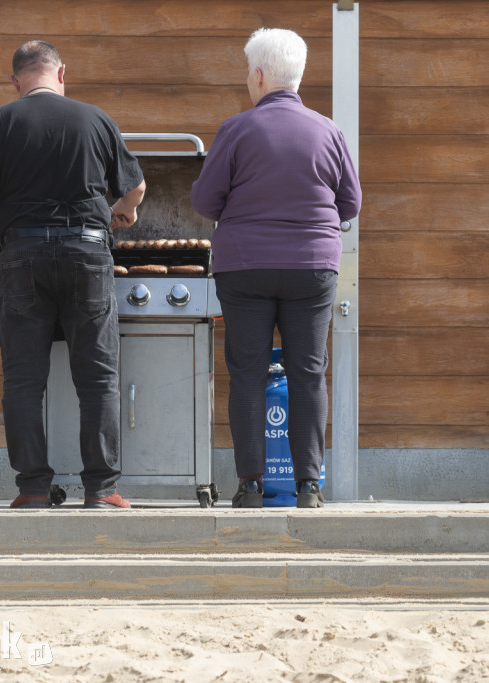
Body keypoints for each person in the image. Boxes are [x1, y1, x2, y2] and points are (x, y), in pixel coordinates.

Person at [0, 40, 146, 510]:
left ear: (16, 82)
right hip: (88, 254)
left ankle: (33, 488)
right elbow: (135, 185)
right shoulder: (96, 119)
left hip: (22, 257)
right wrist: (125, 211)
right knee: (98, 378)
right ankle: (102, 490)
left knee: (22, 380)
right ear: (62, 74)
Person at [191, 27, 362, 509]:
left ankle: (250, 487)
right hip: (312, 268)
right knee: (309, 371)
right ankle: (309, 487)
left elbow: (204, 200)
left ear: (260, 75)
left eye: (249, 72)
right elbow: (350, 203)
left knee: (246, 371)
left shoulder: (237, 129)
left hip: (244, 267)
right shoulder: (328, 131)